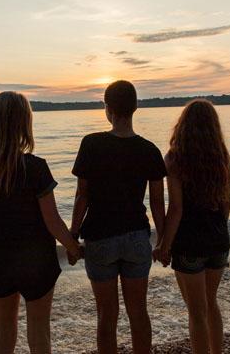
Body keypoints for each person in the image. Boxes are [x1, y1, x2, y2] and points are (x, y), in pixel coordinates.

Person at [0, 91, 82, 354]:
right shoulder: (35, 168)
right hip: (35, 260)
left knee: (4, 333)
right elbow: (52, 221)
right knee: (39, 332)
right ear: (23, 122)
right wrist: (73, 247)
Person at [70, 80, 166, 354]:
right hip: (136, 237)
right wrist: (164, 242)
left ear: (107, 109)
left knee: (106, 317)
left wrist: (72, 237)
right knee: (139, 314)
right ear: (135, 107)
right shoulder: (149, 150)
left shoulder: (91, 144)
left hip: (99, 237)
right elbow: (158, 203)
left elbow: (82, 196)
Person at [157, 99, 230, 354]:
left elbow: (176, 209)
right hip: (218, 240)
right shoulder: (222, 156)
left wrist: (164, 245)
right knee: (210, 304)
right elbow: (226, 205)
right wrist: (218, 231)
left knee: (196, 311)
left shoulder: (174, 159)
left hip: (189, 243)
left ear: (183, 125)